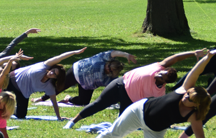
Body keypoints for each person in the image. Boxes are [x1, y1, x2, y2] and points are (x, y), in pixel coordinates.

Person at [69, 50, 216, 138]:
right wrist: (208, 57)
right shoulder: (182, 91)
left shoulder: (194, 116)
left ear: (196, 105)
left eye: (190, 98)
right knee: (113, 133)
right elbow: (196, 71)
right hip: (138, 112)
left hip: (156, 129)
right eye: (188, 93)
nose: (186, 96)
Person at [63, 49, 207, 129]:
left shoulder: (159, 92)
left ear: (164, 82)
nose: (159, 73)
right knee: (98, 104)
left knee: (121, 123)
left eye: (161, 76)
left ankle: (110, 130)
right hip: (119, 83)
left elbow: (162, 108)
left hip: (129, 98)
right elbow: (175, 58)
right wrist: (194, 53)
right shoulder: (159, 66)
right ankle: (72, 122)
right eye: (161, 72)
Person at [34, 50, 137, 106]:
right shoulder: (103, 58)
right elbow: (114, 53)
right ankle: (41, 98)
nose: (107, 69)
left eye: (110, 71)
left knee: (84, 102)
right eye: (109, 66)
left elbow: (118, 88)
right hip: (76, 72)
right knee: (59, 87)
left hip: (87, 85)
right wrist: (126, 55)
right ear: (109, 63)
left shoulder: (109, 79)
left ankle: (68, 99)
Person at [7, 48, 87, 120]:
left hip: (23, 92)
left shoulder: (49, 86)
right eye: (53, 70)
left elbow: (54, 103)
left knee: (21, 115)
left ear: (56, 78)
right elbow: (60, 57)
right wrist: (74, 52)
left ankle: (12, 109)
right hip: (13, 79)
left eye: (54, 74)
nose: (51, 73)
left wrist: (59, 117)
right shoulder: (45, 66)